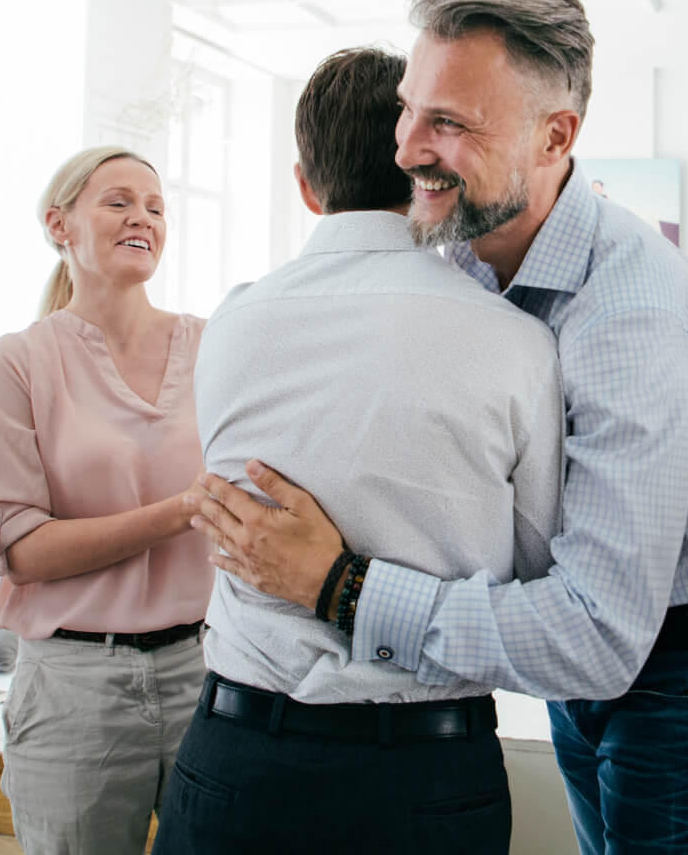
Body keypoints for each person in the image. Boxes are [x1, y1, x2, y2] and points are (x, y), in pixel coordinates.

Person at [189, 0, 688, 855]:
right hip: (573, 637)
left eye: (449, 124)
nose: (406, 149)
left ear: (556, 137)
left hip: (679, 656)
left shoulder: (635, 313)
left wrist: (337, 585)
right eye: (409, 110)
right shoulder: (458, 250)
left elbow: (596, 637)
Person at [153, 47, 564, 855]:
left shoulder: (231, 324)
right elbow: (536, 574)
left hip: (238, 752)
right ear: (428, 169)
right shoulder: (517, 342)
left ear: (307, 184)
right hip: (426, 772)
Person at [0, 147, 212, 855]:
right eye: (118, 201)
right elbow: (22, 551)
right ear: (59, 224)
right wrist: (180, 510)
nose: (143, 217)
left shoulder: (212, 344)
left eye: (157, 207)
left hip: (208, 671)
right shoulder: (14, 362)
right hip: (76, 689)